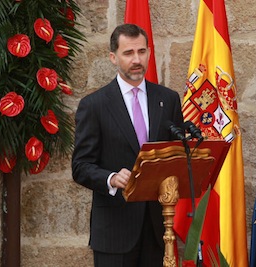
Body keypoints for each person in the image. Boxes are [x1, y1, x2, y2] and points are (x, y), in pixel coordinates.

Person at [72, 23, 183, 267]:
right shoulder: (95, 105)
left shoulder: (168, 99)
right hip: (114, 232)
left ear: (149, 53)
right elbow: (80, 166)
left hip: (157, 230)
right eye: (128, 53)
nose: (136, 59)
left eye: (141, 52)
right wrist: (111, 178)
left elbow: (176, 156)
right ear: (113, 57)